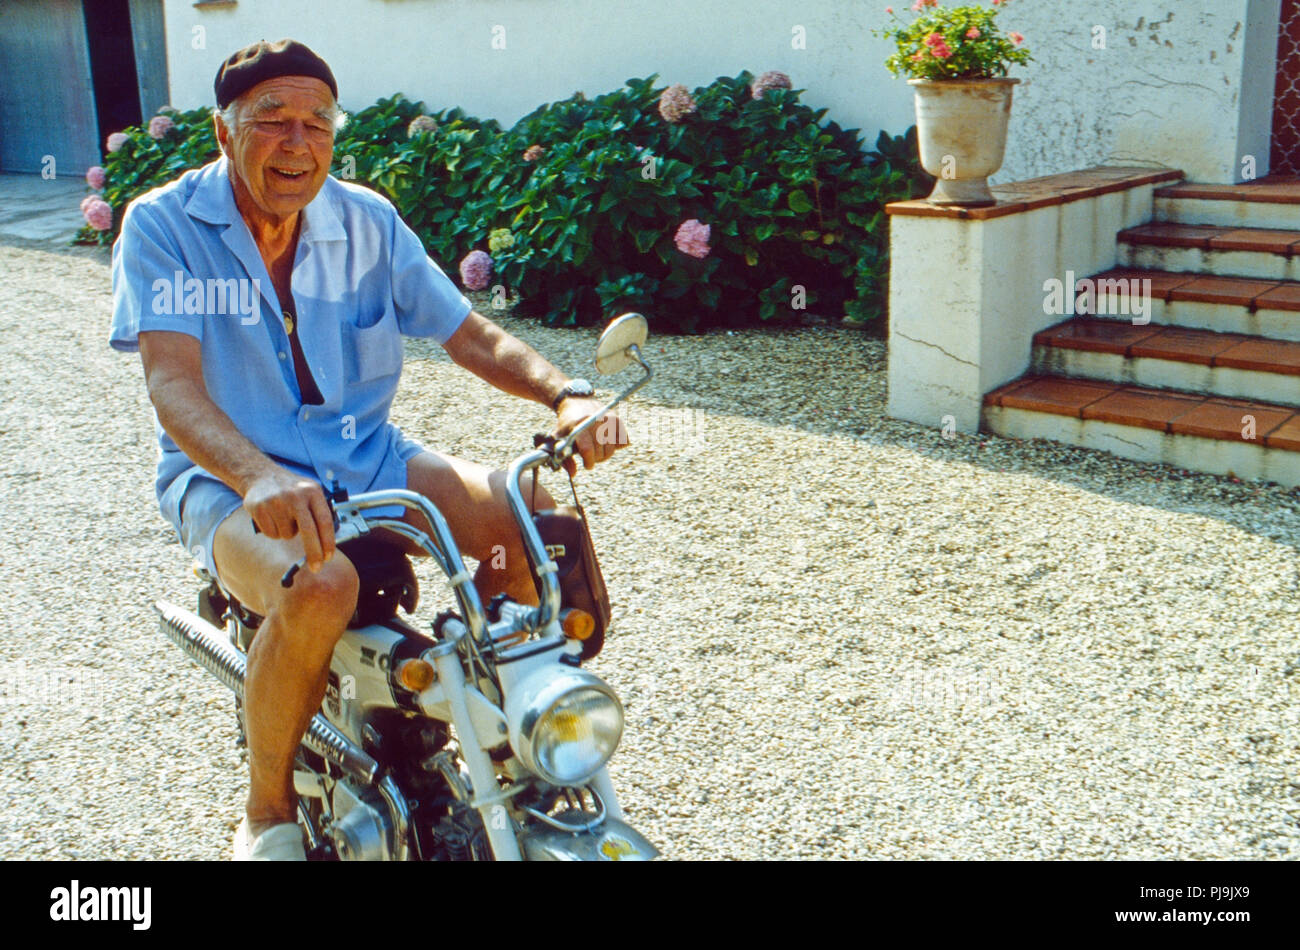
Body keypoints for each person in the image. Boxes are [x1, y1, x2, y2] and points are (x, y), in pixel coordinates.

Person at [108, 39, 627, 860]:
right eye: (271, 120)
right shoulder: (166, 226)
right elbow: (173, 385)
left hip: (368, 458)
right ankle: (267, 813)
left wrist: (564, 395)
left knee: (525, 513)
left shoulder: (367, 219)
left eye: (317, 122)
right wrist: (257, 474)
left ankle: (504, 731)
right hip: (233, 480)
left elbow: (467, 332)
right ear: (222, 132)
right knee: (322, 583)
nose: (297, 141)